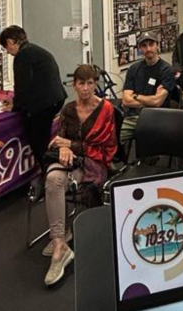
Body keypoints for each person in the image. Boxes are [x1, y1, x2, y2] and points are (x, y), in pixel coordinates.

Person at [42, 64, 117, 286]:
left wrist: (71, 145)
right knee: (52, 179)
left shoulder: (106, 109)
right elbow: (57, 140)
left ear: (96, 84)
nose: (85, 89)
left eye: (90, 83)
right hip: (71, 162)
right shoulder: (67, 109)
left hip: (95, 163)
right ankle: (59, 244)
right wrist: (64, 148)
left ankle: (60, 245)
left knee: (58, 179)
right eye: (81, 84)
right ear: (74, 85)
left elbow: (106, 149)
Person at [0, 25, 67, 185]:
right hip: (55, 98)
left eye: (6, 48)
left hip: (42, 104)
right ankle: (51, 172)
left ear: (10, 42)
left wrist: (15, 106)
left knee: (38, 142)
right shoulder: (35, 50)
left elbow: (22, 86)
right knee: (43, 138)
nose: (8, 52)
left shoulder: (22, 55)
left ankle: (49, 176)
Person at [120, 31, 177, 159]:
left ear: (157, 45)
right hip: (133, 117)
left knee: (146, 136)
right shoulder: (134, 69)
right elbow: (125, 101)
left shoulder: (166, 70)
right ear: (140, 48)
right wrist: (149, 99)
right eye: (144, 46)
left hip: (156, 118)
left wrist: (135, 96)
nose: (148, 49)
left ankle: (148, 166)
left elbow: (157, 103)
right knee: (113, 135)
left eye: (151, 44)